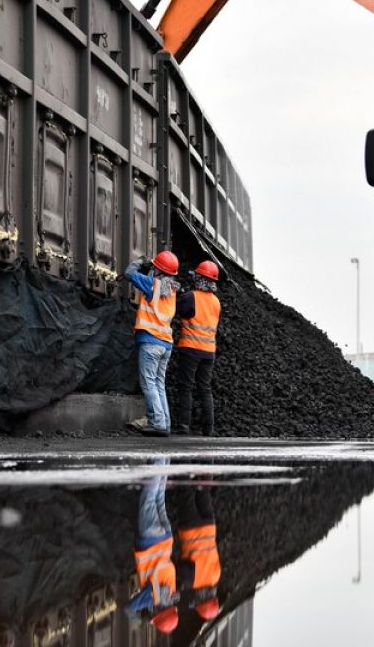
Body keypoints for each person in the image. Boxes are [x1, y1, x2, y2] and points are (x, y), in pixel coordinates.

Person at [124, 250, 181, 437]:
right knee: (158, 383)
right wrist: (152, 268)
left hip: (150, 342)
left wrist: (140, 261)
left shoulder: (152, 285)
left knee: (148, 383)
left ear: (157, 270)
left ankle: (157, 422)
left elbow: (129, 273)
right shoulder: (171, 290)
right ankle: (164, 422)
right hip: (166, 344)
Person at [128, 461, 180, 635]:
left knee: (158, 495)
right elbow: (129, 607)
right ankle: (159, 454)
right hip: (151, 540)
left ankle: (164, 457)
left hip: (166, 538)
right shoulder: (154, 598)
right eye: (154, 615)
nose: (151, 613)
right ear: (159, 613)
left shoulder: (171, 591)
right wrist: (137, 619)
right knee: (149, 495)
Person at [173, 260, 221, 436]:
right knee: (205, 388)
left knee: (186, 386)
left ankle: (184, 425)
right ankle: (208, 428)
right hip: (209, 352)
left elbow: (177, 310)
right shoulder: (216, 302)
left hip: (191, 347)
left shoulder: (190, 296)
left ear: (199, 278)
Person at [175, 484, 221, 623]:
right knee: (185, 492)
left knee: (203, 490)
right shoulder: (191, 582)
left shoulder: (216, 576)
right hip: (190, 530)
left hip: (209, 527)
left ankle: (206, 464)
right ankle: (184, 462)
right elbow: (176, 567)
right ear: (200, 600)